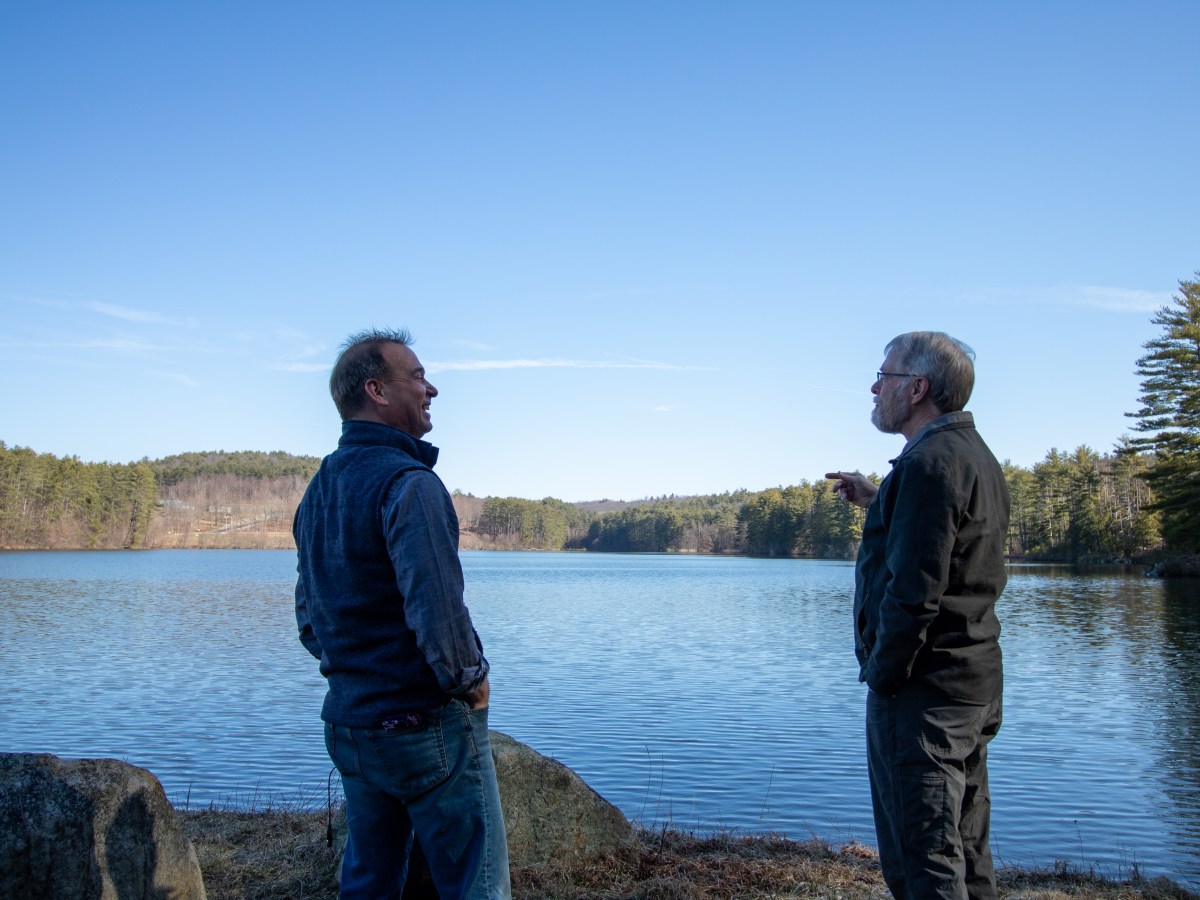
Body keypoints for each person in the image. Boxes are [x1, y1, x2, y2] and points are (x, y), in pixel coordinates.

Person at [294, 327, 511, 900]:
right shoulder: (410, 484)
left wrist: (358, 672)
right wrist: (471, 682)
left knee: (370, 882)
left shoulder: (319, 491)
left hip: (351, 722)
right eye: (416, 376)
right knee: (477, 884)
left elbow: (310, 619)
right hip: (423, 725)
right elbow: (438, 612)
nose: (431, 387)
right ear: (377, 390)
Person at [826, 331, 1009, 900]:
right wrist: (879, 495)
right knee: (964, 845)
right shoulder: (968, 455)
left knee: (921, 858)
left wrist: (885, 677)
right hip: (970, 683)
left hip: (923, 693)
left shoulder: (929, 465)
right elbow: (943, 535)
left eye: (886, 375)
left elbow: (916, 592)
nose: (875, 386)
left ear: (918, 388)